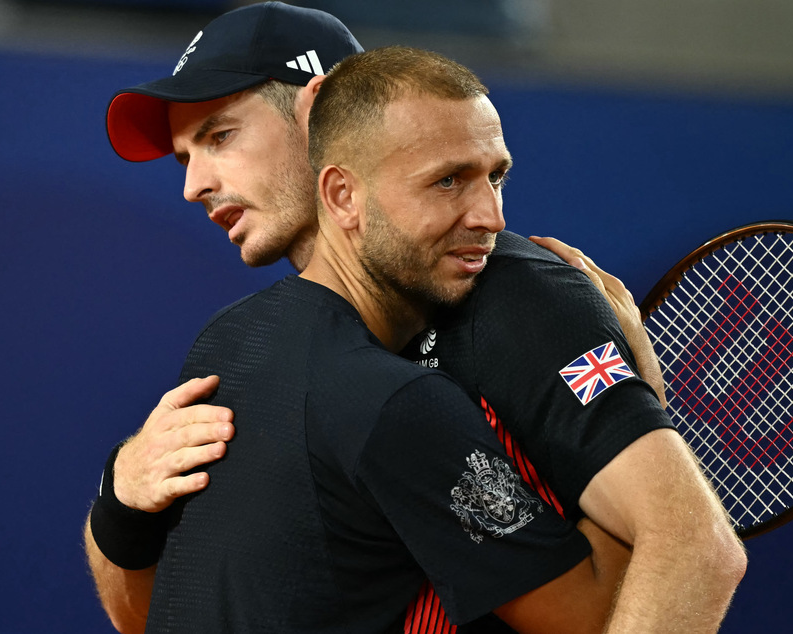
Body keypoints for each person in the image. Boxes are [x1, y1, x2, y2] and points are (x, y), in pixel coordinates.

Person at [84, 4, 744, 633]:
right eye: (185, 157)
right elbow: (145, 615)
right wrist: (121, 496)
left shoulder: (516, 297)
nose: (192, 184)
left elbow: (689, 548)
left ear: (318, 110)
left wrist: (641, 395)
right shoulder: (249, 344)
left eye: (220, 136)